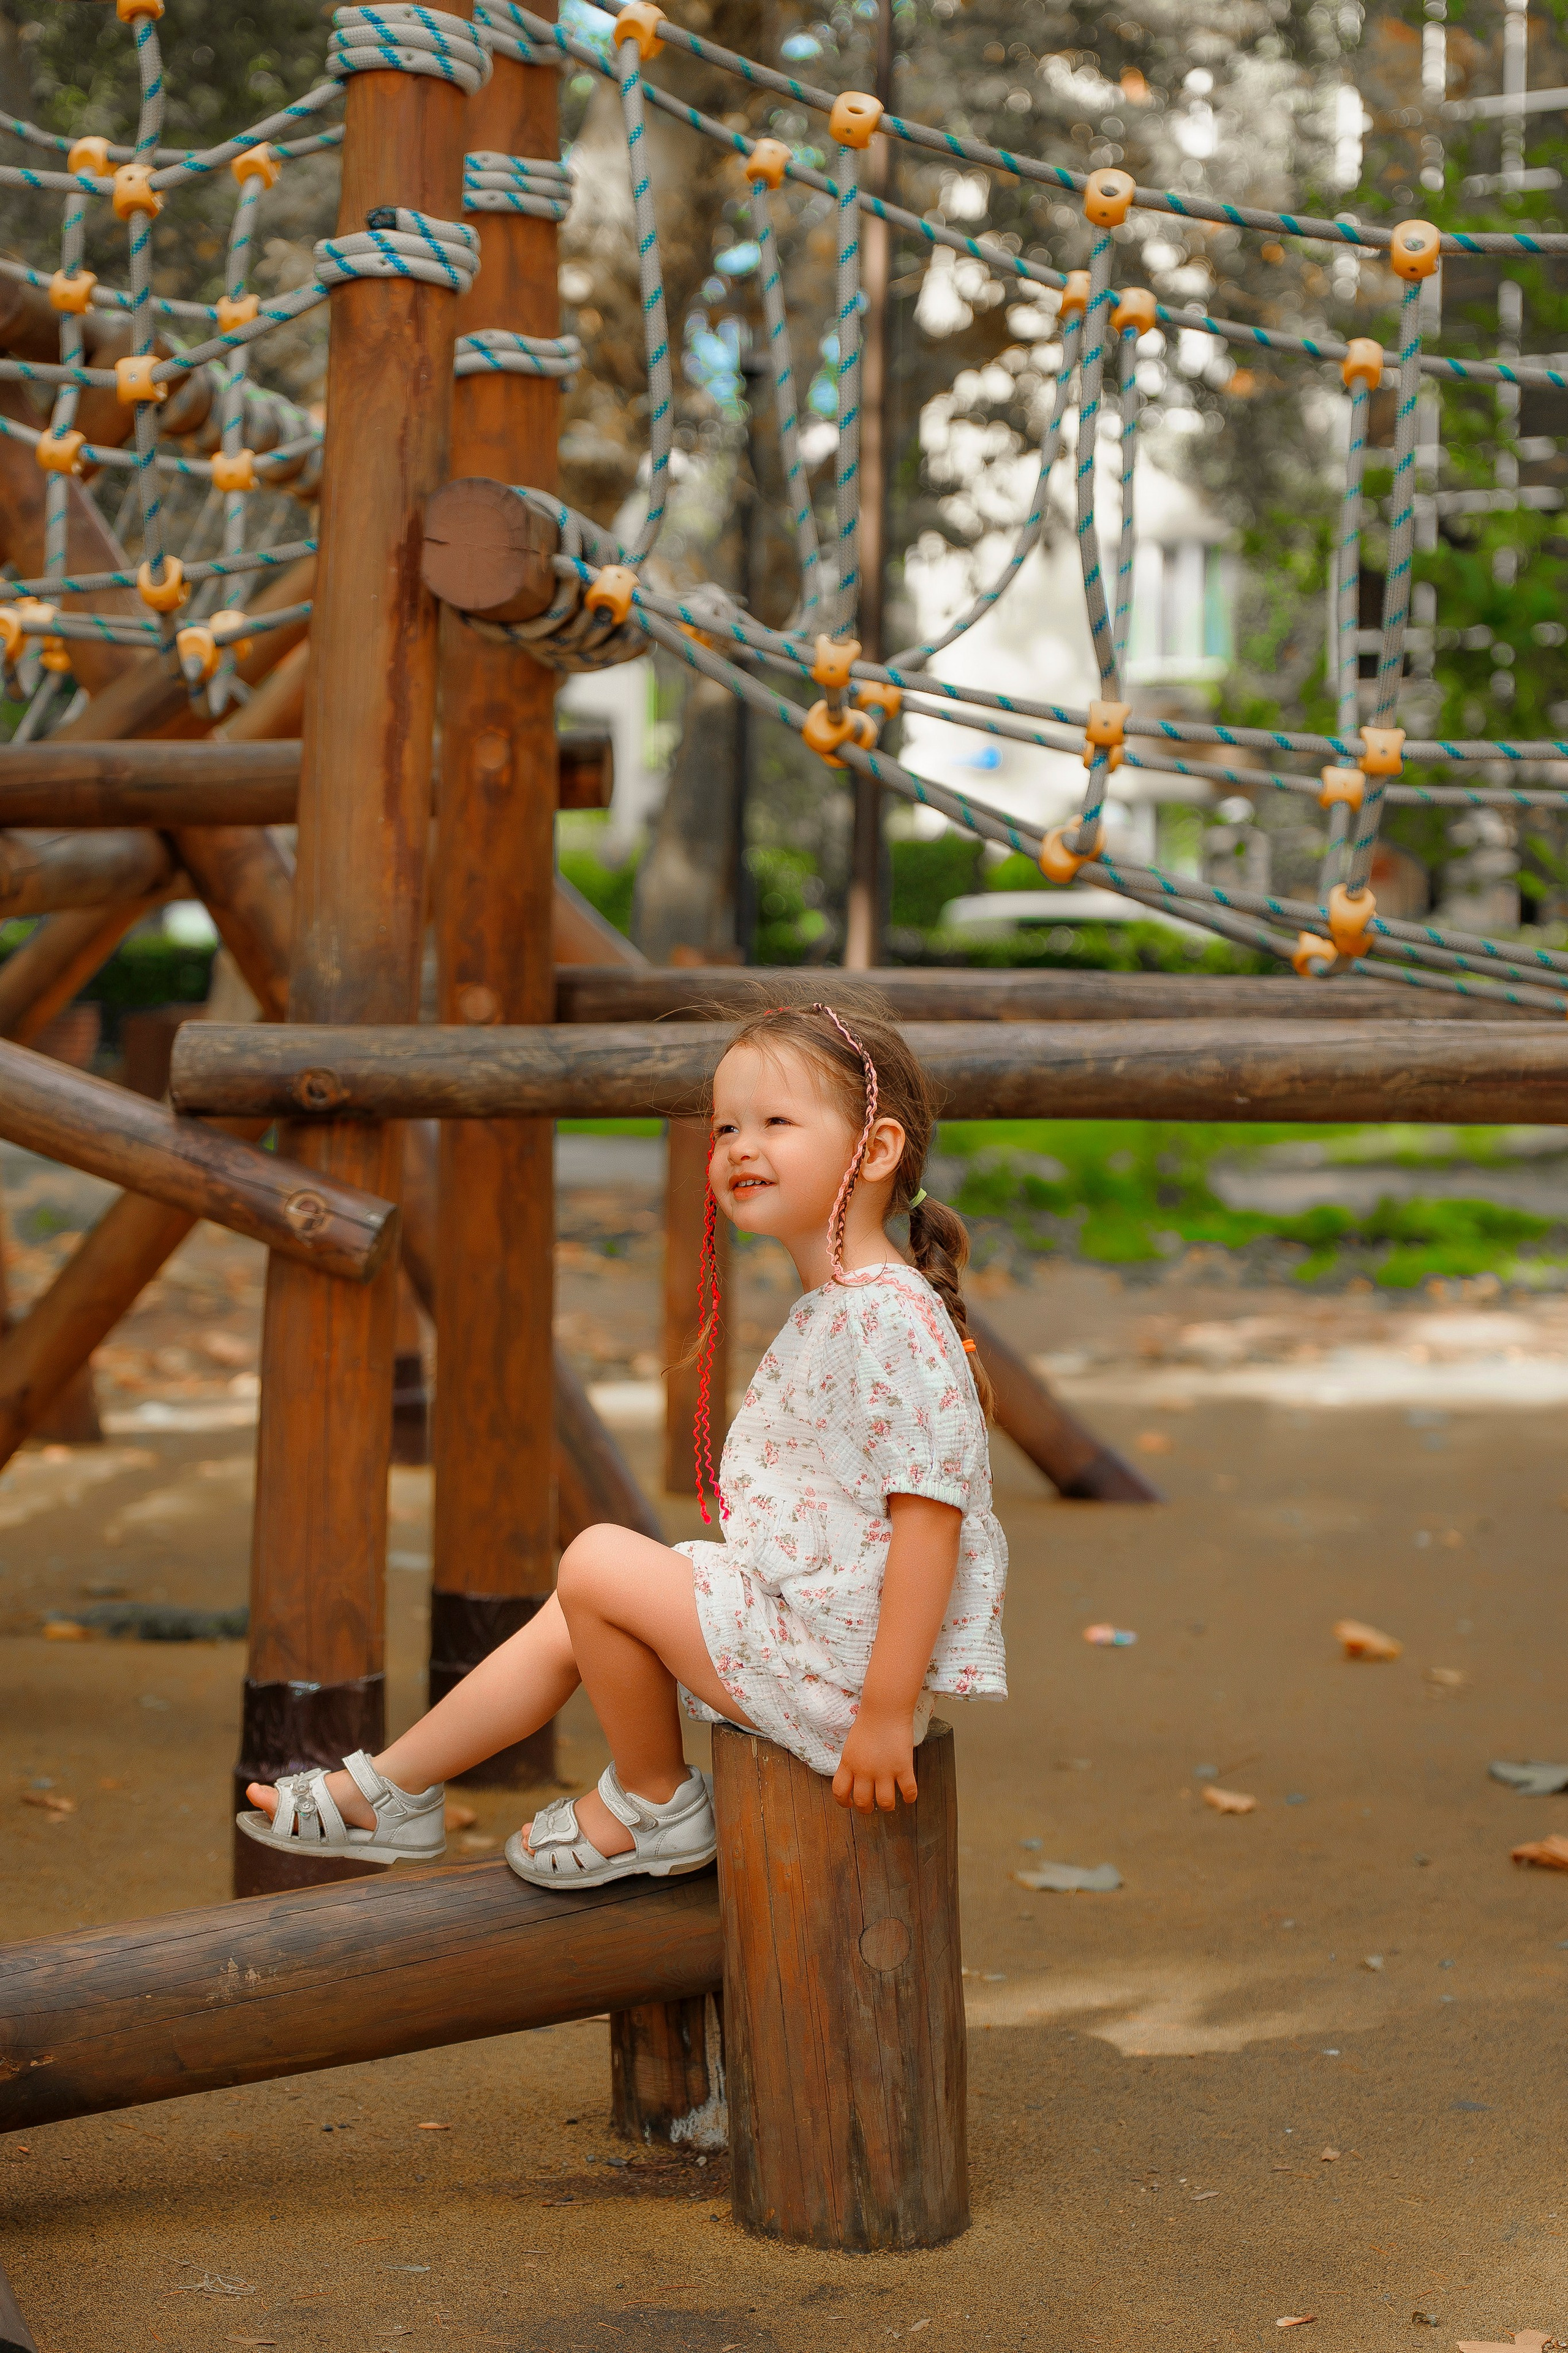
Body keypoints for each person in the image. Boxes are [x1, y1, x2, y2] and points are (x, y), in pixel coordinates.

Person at [237, 995, 1008, 1884]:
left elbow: (929, 1520)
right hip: (818, 1648)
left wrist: (882, 1709)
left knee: (600, 1559)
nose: (738, 1147)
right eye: (725, 1127)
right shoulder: (854, 1305)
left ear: (873, 1150)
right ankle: (393, 1787)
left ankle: (651, 1801)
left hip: (841, 1678)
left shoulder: (885, 1315)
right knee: (580, 1608)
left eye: (775, 1122)